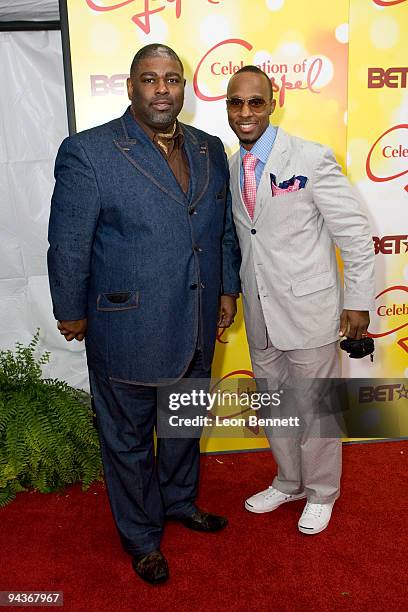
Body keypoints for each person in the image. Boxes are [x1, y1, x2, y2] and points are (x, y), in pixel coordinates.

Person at [48, 44, 240, 585]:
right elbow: (68, 242)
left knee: (183, 424)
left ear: (184, 88)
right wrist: (71, 309)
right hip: (126, 325)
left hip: (199, 318)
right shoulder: (90, 151)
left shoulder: (208, 148)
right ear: (130, 86)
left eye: (173, 79)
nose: (162, 89)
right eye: (150, 79)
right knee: (128, 440)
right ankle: (140, 537)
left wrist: (226, 290)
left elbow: (220, 229)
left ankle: (179, 501)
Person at [225, 66, 375, 535]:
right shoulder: (231, 165)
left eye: (255, 101)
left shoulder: (311, 158)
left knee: (316, 409)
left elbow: (353, 233)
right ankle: (289, 480)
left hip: (310, 311)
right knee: (276, 406)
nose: (245, 112)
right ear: (227, 107)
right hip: (260, 313)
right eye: (236, 102)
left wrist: (358, 301)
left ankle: (322, 492)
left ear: (274, 101)